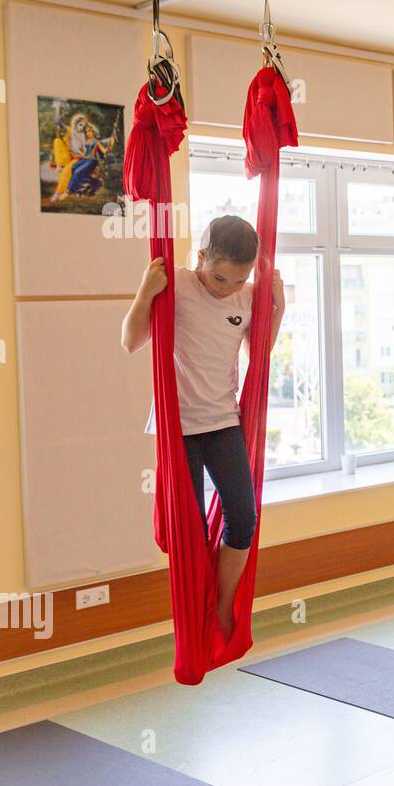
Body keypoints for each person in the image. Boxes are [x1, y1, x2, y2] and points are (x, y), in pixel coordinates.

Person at [121, 215, 284, 640]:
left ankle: (222, 604)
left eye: (238, 280)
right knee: (189, 529)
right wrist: (144, 293)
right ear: (200, 259)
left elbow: (258, 357)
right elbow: (131, 340)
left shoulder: (245, 298)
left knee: (243, 519)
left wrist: (276, 311)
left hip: (223, 421)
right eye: (218, 277)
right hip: (178, 428)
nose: (226, 288)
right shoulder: (176, 284)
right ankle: (193, 608)